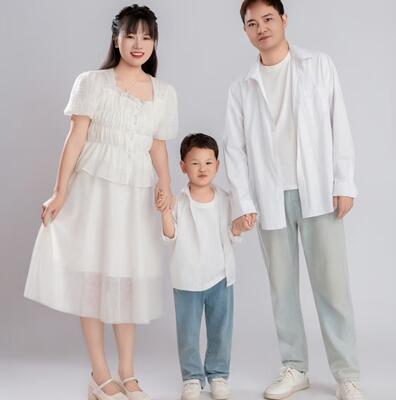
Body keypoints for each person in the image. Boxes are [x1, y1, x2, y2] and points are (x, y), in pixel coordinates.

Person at [24, 5, 178, 400]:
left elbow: (158, 146)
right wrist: (60, 191)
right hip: (93, 190)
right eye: (131, 35)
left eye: (146, 36)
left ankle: (127, 373)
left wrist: (165, 185)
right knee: (92, 280)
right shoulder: (92, 82)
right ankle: (100, 374)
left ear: (155, 42)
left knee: (126, 282)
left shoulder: (164, 93)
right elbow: (75, 138)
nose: (138, 44)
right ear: (116, 39)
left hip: (135, 195)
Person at [223, 1, 365, 399]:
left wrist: (344, 182)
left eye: (268, 19)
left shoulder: (318, 66)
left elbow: (339, 123)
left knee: (332, 287)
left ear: (283, 20)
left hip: (318, 191)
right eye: (252, 23)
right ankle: (295, 367)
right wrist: (244, 202)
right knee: (282, 289)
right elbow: (234, 150)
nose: (261, 28)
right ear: (246, 31)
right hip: (270, 198)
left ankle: (347, 374)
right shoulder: (241, 88)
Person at [157, 133, 246, 400]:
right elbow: (169, 236)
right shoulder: (178, 201)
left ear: (217, 165)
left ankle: (218, 374)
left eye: (208, 163)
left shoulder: (226, 199)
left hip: (220, 276)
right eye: (195, 163)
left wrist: (239, 225)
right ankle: (192, 378)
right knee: (188, 332)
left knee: (221, 329)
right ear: (183, 166)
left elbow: (232, 233)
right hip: (187, 278)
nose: (202, 168)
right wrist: (164, 212)